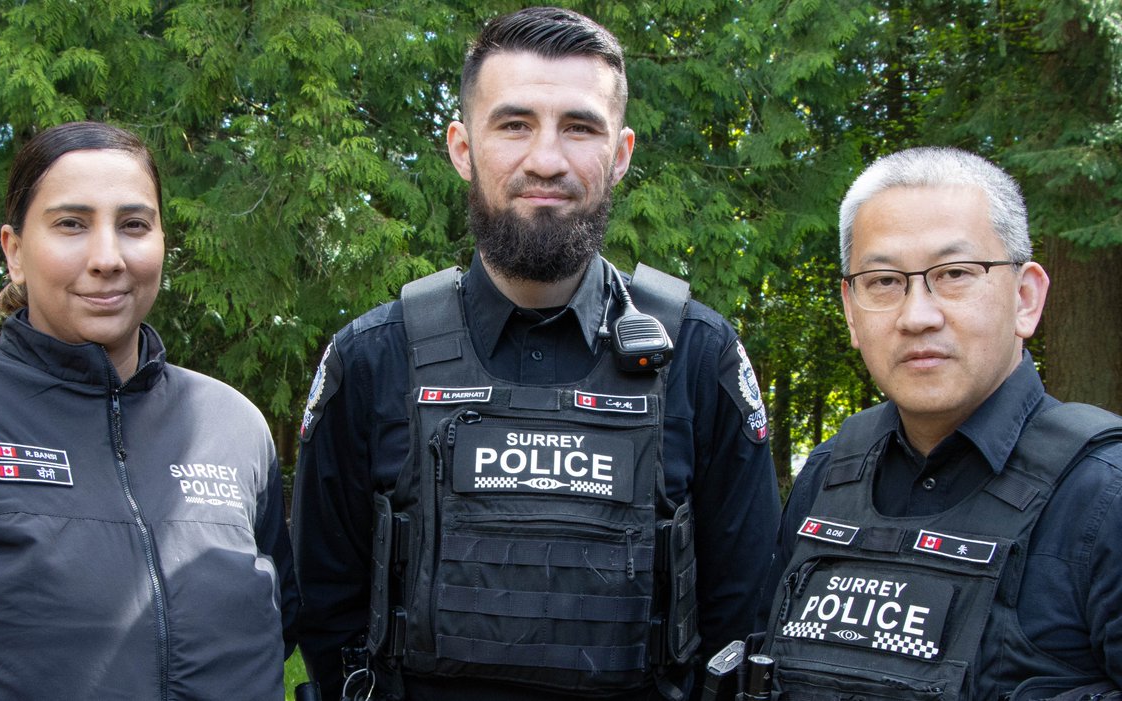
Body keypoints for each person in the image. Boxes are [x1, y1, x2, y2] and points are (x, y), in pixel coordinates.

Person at [292, 7, 779, 701]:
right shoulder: (374, 360)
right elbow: (326, 611)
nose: (546, 159)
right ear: (463, 147)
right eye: (514, 124)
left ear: (621, 153)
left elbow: (744, 625)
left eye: (579, 127)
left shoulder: (699, 359)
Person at [0, 121, 298, 700]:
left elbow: (283, 625)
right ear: (15, 251)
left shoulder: (234, 426)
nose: (108, 257)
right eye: (71, 224)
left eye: (134, 226)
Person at [759, 147, 1122, 699]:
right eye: (883, 281)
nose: (917, 316)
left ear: (1026, 298)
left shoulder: (1104, 496)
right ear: (852, 311)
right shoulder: (829, 476)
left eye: (954, 274)